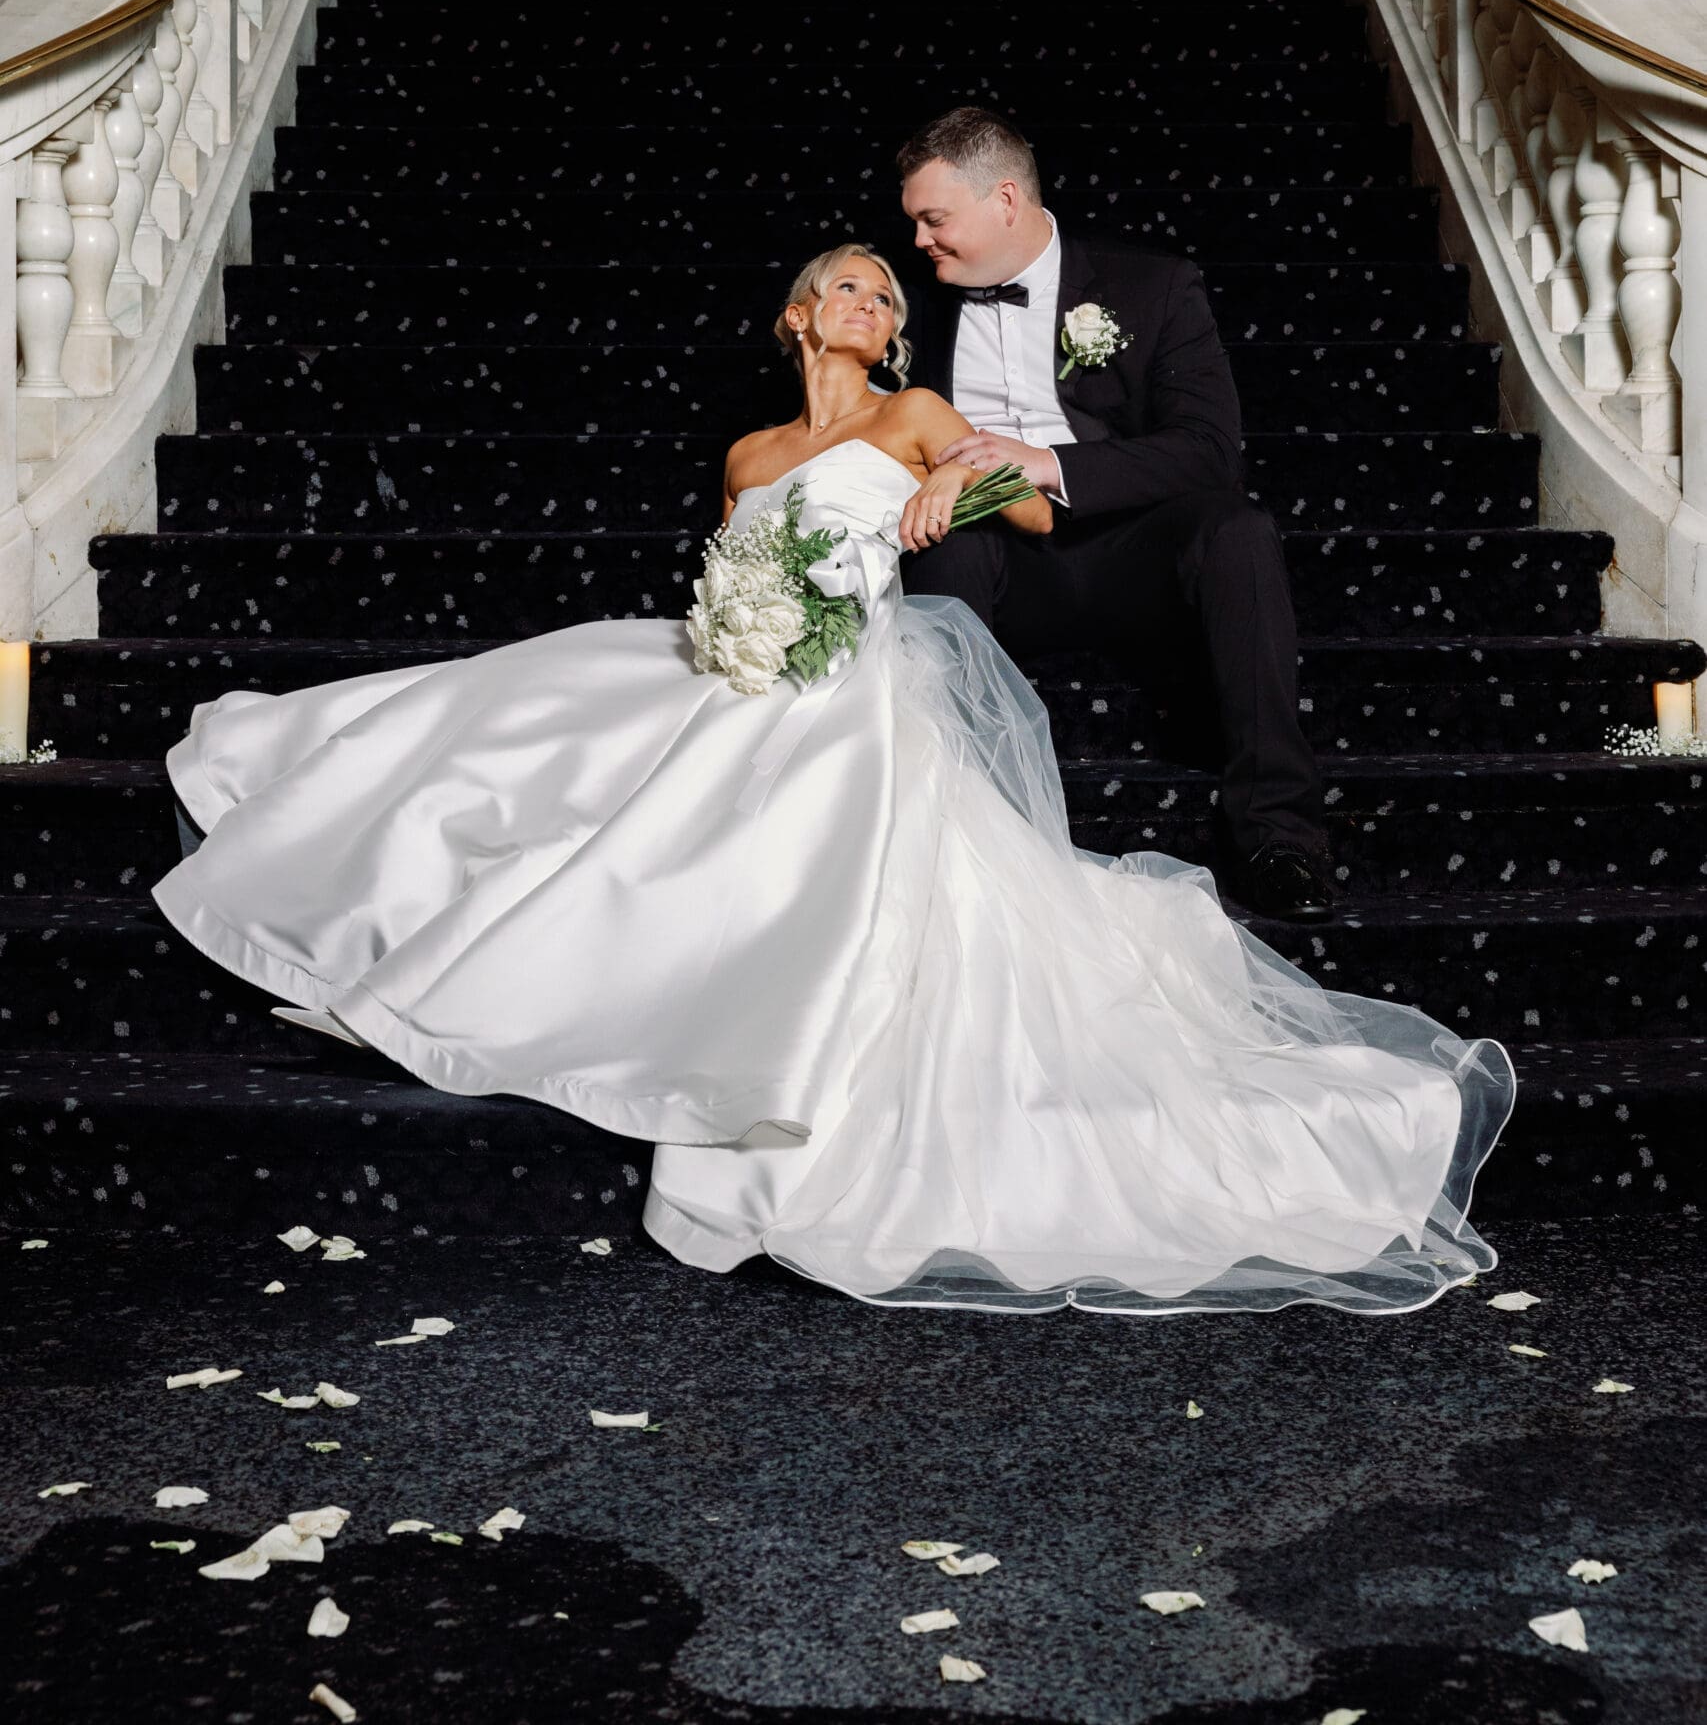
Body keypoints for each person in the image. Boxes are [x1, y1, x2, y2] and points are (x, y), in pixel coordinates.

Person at [152, 241, 1514, 1317]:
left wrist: (954, 490)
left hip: (850, 669)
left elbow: (1037, 509)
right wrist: (732, 624)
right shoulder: (747, 456)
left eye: (884, 286)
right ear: (801, 316)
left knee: (789, 785)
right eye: (845, 282)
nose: (870, 295)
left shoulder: (920, 412)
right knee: (517, 719)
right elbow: (733, 567)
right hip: (736, 658)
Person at [895, 105, 1335, 925]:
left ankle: (1282, 839)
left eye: (934, 219)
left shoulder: (1152, 286)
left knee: (1236, 530)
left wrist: (1049, 463)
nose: (920, 240)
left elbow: (1207, 450)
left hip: (1127, 549)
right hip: (991, 550)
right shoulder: (909, 306)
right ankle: (956, 840)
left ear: (1003, 201)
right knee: (942, 547)